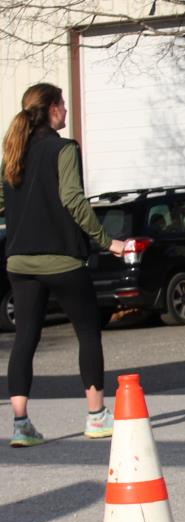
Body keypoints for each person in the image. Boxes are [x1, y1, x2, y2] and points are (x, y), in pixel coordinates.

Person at [1, 82, 125, 446]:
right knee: (87, 332)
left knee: (25, 337)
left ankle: (20, 424)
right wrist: (106, 240)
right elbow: (72, 199)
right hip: (61, 258)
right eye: (63, 105)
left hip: (19, 261)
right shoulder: (64, 149)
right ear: (52, 109)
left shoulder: (13, 154)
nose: (67, 111)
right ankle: (96, 416)